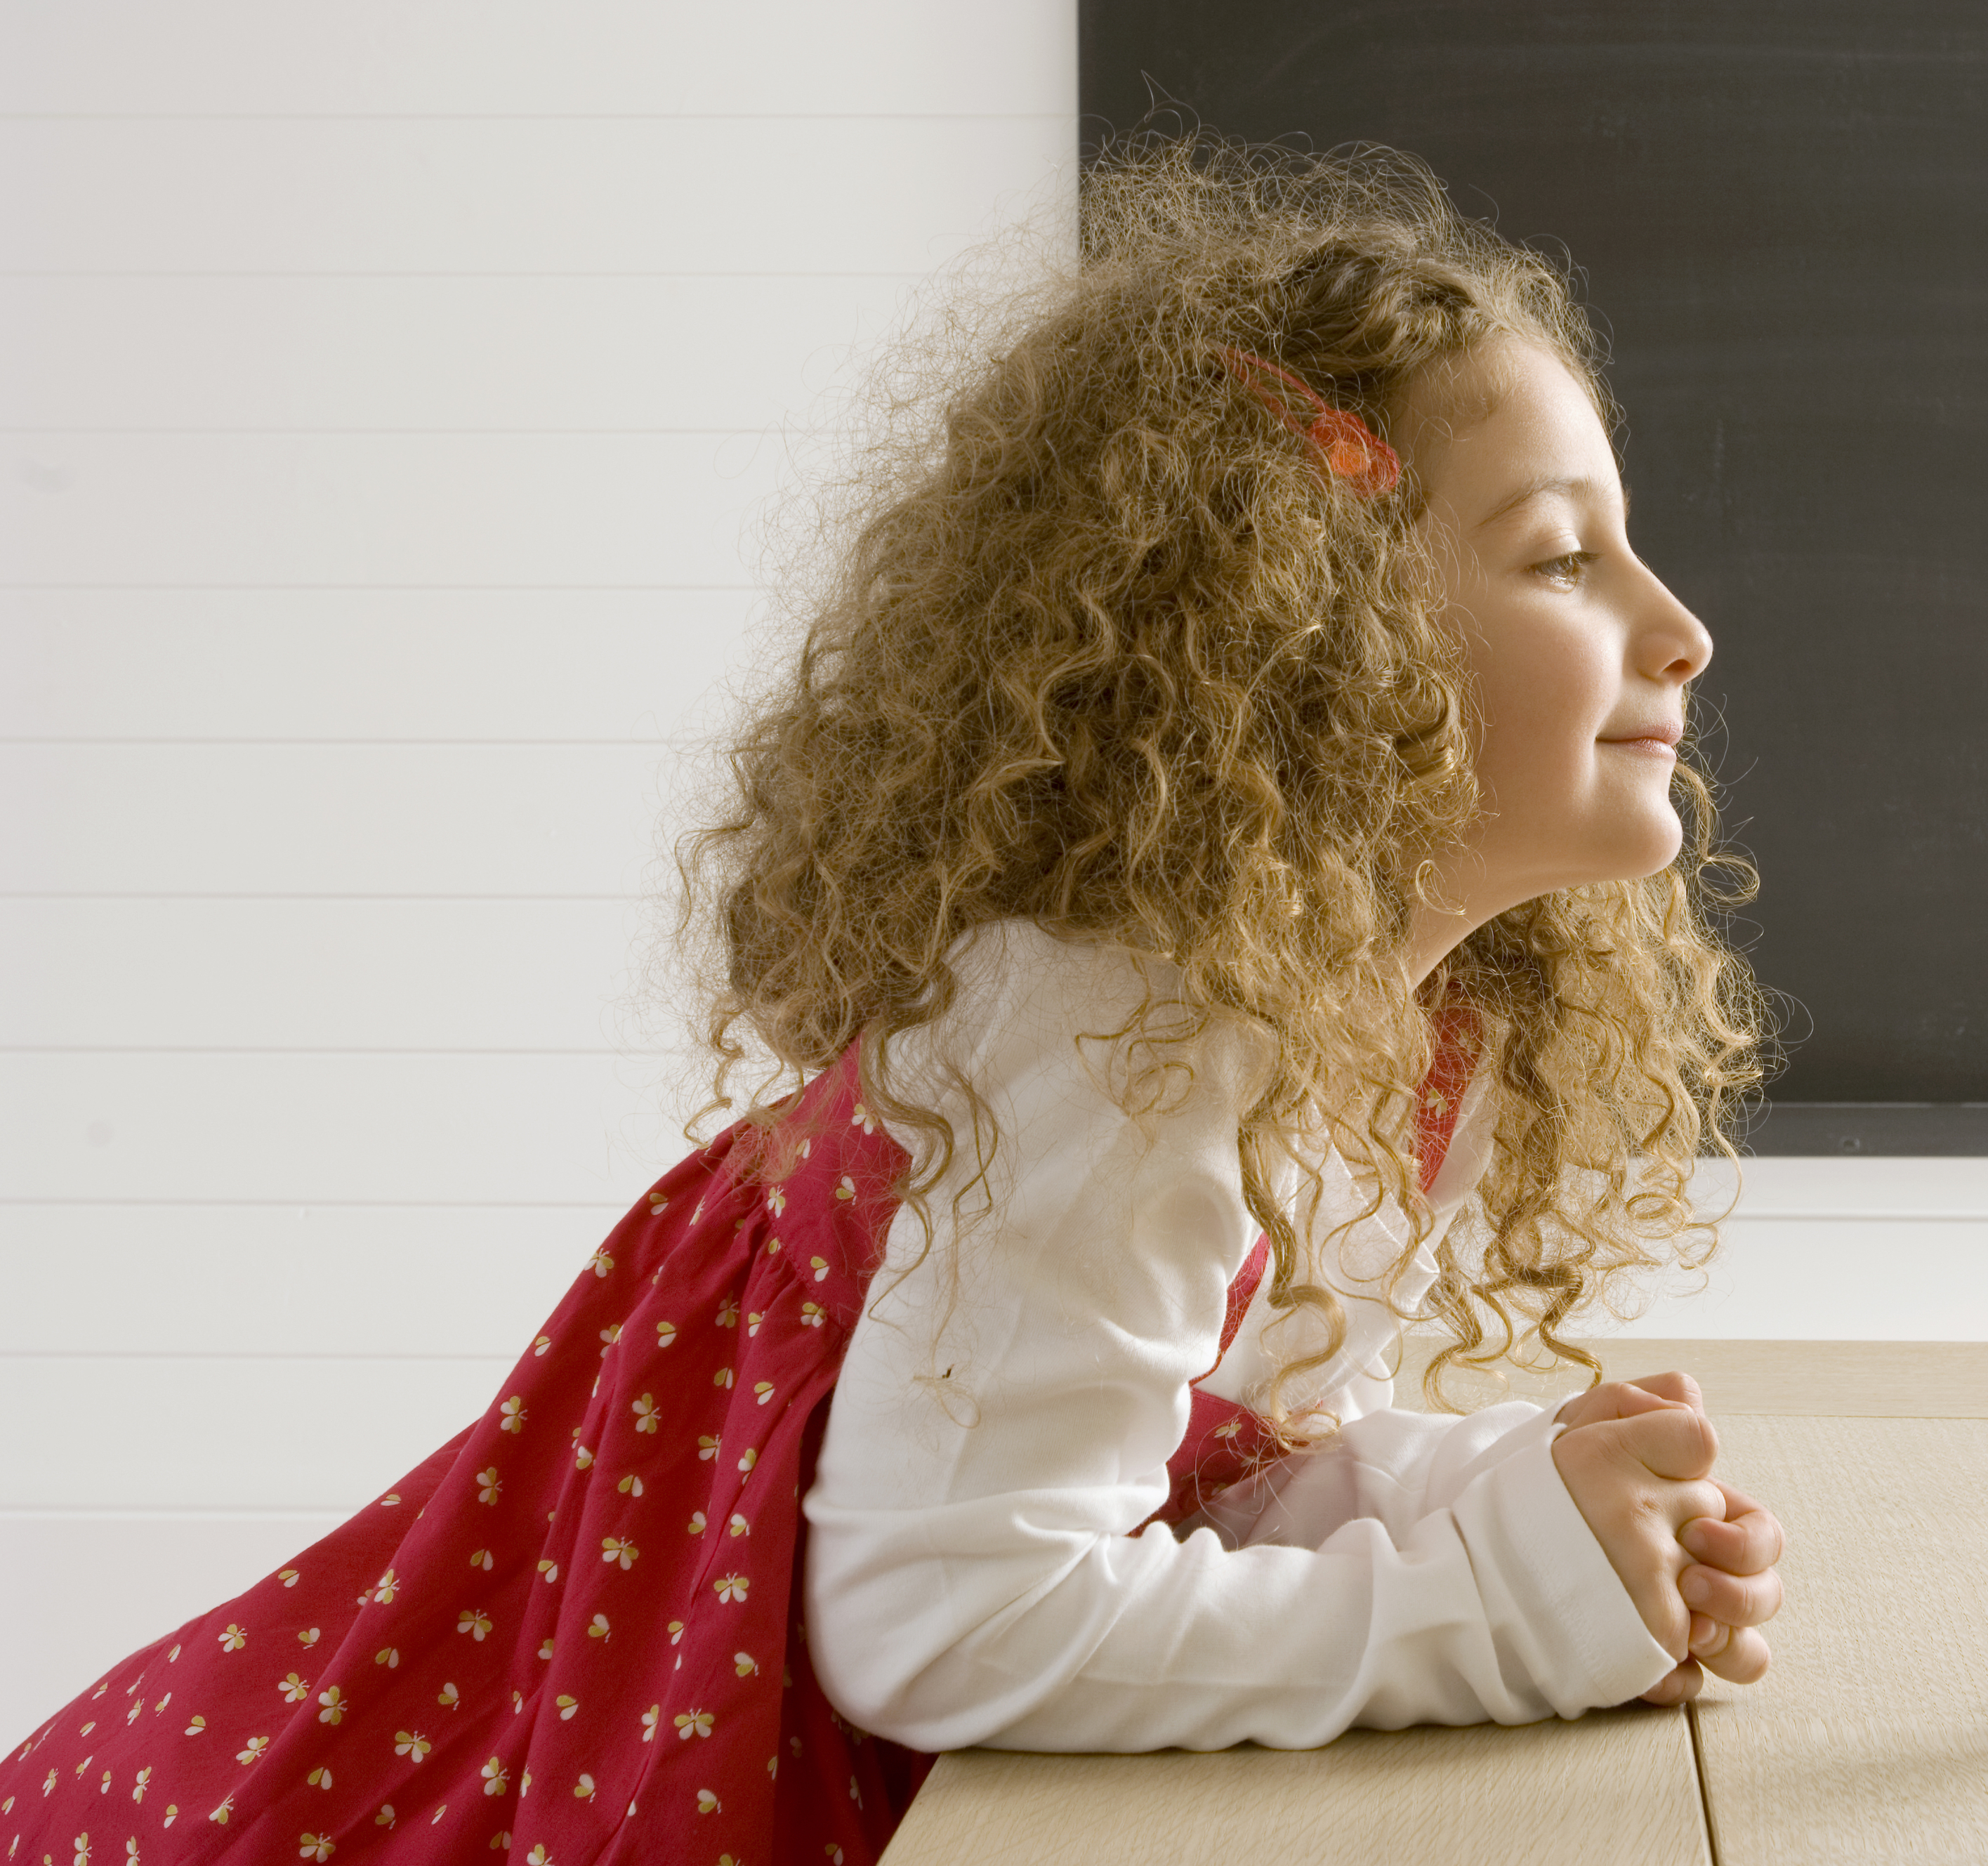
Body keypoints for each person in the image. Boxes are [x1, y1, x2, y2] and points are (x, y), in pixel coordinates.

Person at [1, 135, 1788, 1862]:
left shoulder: (1392, 1026)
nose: (1677, 624)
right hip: (464, 1793)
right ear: (1316, 634)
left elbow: (1166, 1477)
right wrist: (1503, 1613)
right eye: (1560, 557)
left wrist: (1495, 1507)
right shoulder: (1116, 1028)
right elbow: (950, 1622)